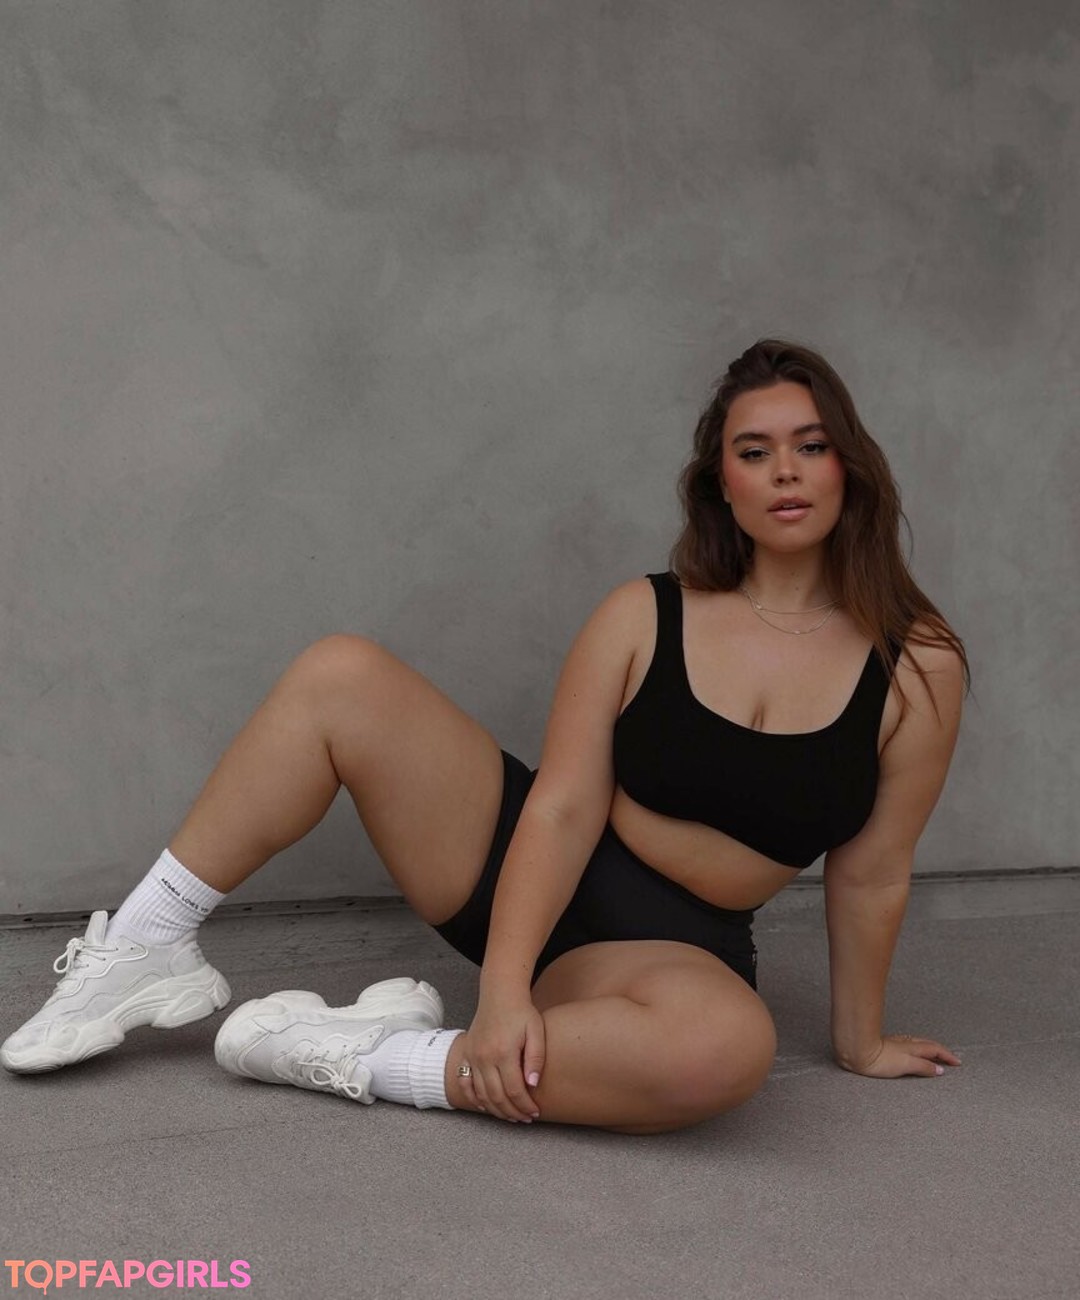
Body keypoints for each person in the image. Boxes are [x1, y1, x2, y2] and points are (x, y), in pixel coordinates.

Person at [1, 339, 968, 1134]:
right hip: (521, 867)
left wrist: (860, 1043)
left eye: (810, 445)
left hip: (672, 947)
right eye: (754, 452)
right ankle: (146, 944)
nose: (785, 471)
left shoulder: (916, 665)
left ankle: (373, 1054)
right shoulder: (643, 615)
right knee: (341, 675)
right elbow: (561, 808)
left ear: (848, 463)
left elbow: (872, 873)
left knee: (725, 1050)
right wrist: (504, 993)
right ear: (722, 482)